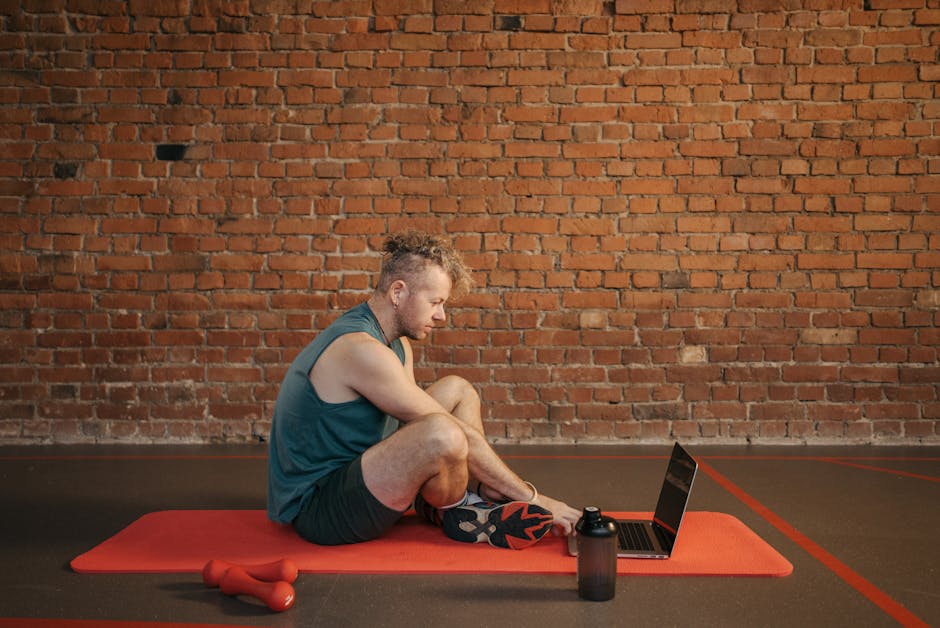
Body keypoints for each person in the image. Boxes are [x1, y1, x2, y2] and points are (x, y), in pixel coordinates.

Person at [267, 231, 580, 549]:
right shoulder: (361, 350)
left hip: (361, 473)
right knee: (443, 432)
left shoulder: (396, 342)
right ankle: (460, 509)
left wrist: (493, 479)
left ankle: (470, 497)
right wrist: (535, 499)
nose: (441, 315)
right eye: (436, 302)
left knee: (459, 390)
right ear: (398, 292)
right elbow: (446, 433)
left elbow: (414, 422)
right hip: (321, 511)